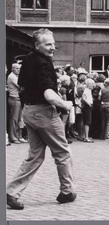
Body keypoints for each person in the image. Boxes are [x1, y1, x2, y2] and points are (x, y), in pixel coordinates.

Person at [6, 28, 76, 210]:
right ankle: (67, 191)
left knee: (35, 156)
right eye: (48, 44)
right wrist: (65, 104)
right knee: (62, 153)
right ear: (37, 45)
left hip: (29, 112)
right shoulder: (43, 63)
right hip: (45, 112)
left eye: (53, 43)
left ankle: (12, 191)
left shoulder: (27, 60)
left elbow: (24, 87)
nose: (52, 47)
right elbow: (48, 94)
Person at [7, 63, 27, 144]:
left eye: (19, 68)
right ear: (12, 69)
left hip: (18, 99)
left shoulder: (16, 76)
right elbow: (21, 86)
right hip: (14, 98)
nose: (18, 70)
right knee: (14, 119)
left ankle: (19, 136)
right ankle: (13, 137)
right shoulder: (12, 76)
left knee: (19, 119)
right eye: (17, 68)